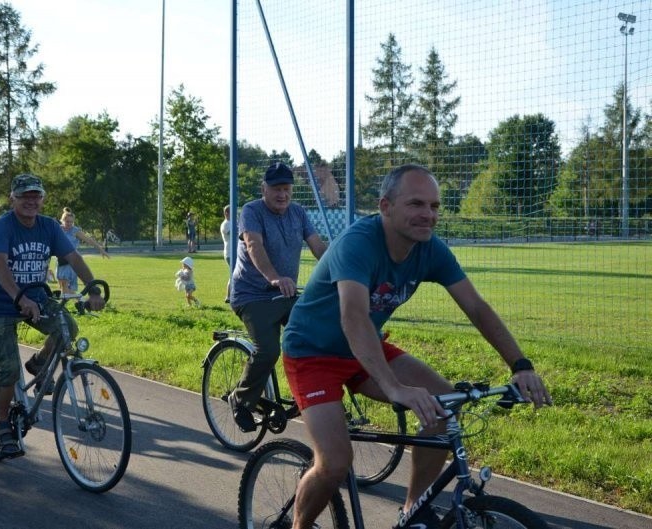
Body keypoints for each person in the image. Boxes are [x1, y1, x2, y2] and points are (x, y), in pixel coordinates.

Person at [280, 164, 553, 528]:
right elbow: (354, 317)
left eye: (435, 206)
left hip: (365, 350)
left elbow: (476, 306)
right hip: (312, 354)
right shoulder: (357, 244)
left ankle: (413, 512)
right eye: (416, 204)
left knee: (443, 408)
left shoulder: (430, 250)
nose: (428, 215)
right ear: (385, 206)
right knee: (334, 462)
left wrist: (520, 363)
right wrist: (394, 387)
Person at [0, 173, 105, 458]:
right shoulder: (1, 226)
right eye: (24, 196)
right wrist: (19, 297)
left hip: (37, 298)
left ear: (43, 199)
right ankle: (1, 427)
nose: (31, 201)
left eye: (36, 195)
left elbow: (73, 258)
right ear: (13, 198)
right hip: (0, 304)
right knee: (8, 369)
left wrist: (93, 288)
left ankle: (38, 364)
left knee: (66, 330)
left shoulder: (49, 226)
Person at [228, 162, 327, 432]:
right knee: (269, 349)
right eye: (276, 189)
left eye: (287, 189)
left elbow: (318, 246)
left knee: (314, 336)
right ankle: (241, 399)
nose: (282, 194)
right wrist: (273, 277)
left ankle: (307, 395)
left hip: (286, 293)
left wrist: (344, 270)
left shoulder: (298, 212)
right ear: (264, 189)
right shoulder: (251, 211)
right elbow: (253, 245)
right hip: (251, 295)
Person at [56, 207, 109, 296]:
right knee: (62, 288)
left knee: (65, 288)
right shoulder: (58, 229)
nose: (69, 224)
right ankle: (77, 302)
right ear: (62, 220)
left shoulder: (75, 231)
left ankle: (80, 300)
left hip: (72, 260)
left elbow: (89, 240)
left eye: (71, 222)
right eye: (67, 221)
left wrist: (101, 249)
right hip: (61, 260)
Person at [220, 204, 232, 303]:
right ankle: (228, 296)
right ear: (226, 213)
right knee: (234, 274)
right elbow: (232, 233)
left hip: (234, 252)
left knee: (235, 274)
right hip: (230, 253)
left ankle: (230, 296)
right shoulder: (226, 224)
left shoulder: (232, 222)